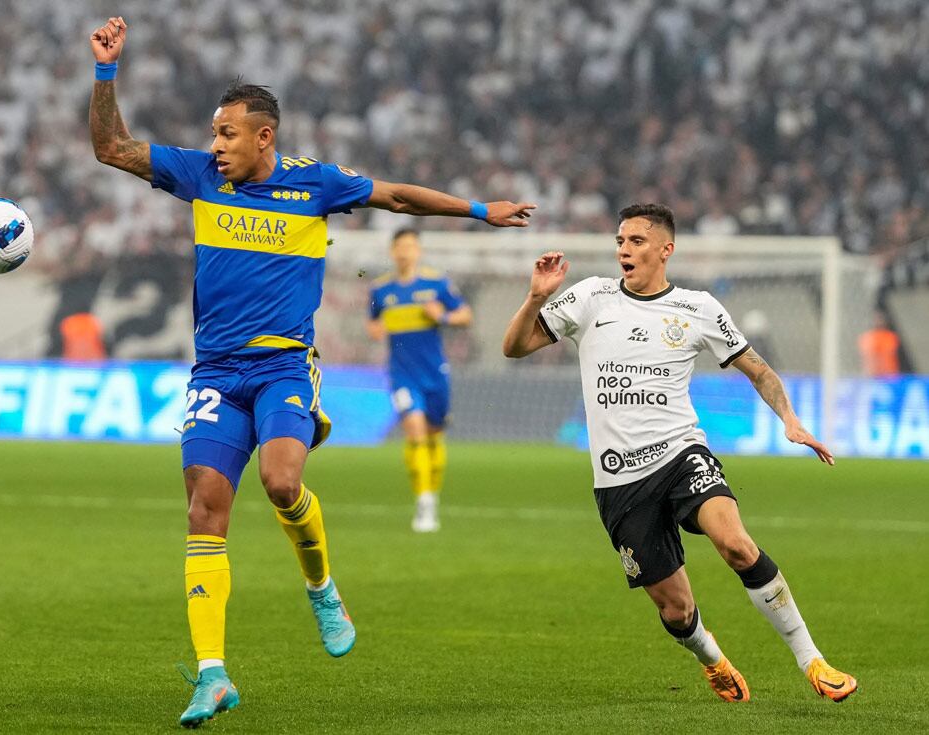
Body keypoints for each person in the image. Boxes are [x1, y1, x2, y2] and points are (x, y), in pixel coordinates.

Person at [88, 16, 535, 727]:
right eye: (213, 133)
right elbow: (111, 146)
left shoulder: (315, 184)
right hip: (214, 373)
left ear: (264, 136)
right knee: (206, 510)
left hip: (282, 366)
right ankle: (213, 674)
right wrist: (108, 72)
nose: (215, 146)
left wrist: (481, 210)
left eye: (227, 134)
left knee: (282, 479)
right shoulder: (199, 176)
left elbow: (397, 196)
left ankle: (322, 587)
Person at [502, 204, 856, 703]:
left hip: (681, 452)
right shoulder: (589, 297)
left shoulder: (699, 308)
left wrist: (791, 422)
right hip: (619, 480)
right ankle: (710, 656)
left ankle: (812, 660)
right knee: (675, 610)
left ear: (666, 249)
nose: (625, 249)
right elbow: (514, 347)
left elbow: (758, 369)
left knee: (736, 545)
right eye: (620, 240)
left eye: (637, 241)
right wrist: (535, 298)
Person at [367, 229, 472, 532]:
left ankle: (432, 494)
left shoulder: (436, 283)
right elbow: (372, 322)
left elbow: (465, 315)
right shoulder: (380, 290)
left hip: (435, 372)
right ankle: (424, 503)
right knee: (414, 434)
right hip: (402, 374)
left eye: (410, 246)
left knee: (434, 435)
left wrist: (442, 317)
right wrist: (377, 329)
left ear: (418, 251)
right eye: (400, 246)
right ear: (392, 252)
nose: (405, 252)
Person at [857, 310, 901, 377]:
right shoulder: (866, 337)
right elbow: (867, 355)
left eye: (880, 319)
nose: (878, 322)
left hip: (888, 374)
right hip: (870, 373)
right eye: (876, 320)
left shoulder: (890, 337)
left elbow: (887, 353)